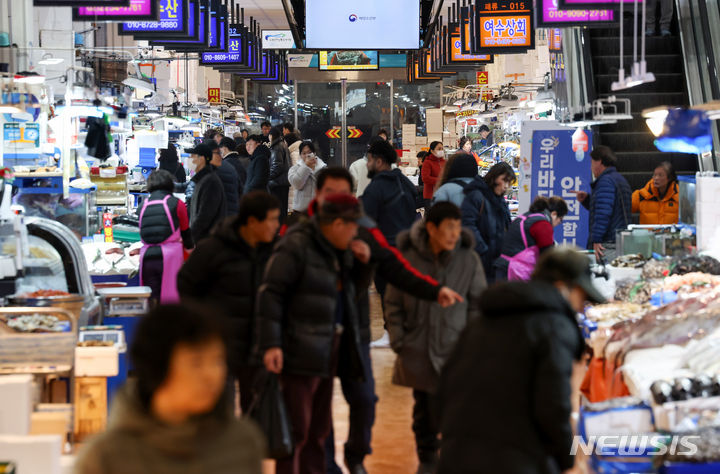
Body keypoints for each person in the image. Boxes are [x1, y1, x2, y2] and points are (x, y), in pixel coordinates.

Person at [282, 167, 463, 474]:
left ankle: (355, 455)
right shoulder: (299, 232)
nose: (336, 201)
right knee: (316, 410)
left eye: (342, 194)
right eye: (330, 194)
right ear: (319, 195)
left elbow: (394, 266)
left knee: (364, 400)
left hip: (353, 331)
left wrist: (434, 290)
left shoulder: (362, 227)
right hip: (312, 338)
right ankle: (326, 465)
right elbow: (276, 289)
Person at [437, 248, 604, 474]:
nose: (581, 307)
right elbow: (553, 404)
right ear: (561, 287)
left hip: (456, 455)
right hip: (513, 461)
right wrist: (567, 458)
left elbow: (444, 384)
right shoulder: (554, 326)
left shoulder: (483, 320)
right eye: (581, 297)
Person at [74, 304, 266, 474]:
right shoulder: (107, 456)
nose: (212, 375)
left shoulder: (242, 444)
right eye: (196, 363)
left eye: (217, 361)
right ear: (157, 368)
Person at [256, 194, 368, 474]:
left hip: (327, 348)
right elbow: (271, 294)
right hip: (298, 350)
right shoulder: (296, 245)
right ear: (338, 223)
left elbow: (350, 293)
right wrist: (271, 344)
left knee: (318, 431)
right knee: (295, 432)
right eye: (353, 226)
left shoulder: (337, 247)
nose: (356, 232)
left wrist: (364, 265)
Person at [384, 202, 487, 474]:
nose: (454, 233)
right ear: (431, 228)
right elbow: (392, 303)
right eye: (448, 227)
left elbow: (478, 304)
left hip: (456, 349)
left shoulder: (468, 259)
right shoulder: (408, 257)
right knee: (424, 412)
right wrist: (399, 339)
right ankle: (427, 460)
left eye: (457, 226)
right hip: (419, 346)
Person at [177, 191, 280, 413]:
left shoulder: (275, 250)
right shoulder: (214, 248)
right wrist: (204, 323)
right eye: (272, 219)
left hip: (258, 347)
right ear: (252, 222)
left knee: (256, 415)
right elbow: (186, 283)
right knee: (219, 415)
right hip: (220, 348)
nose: (276, 225)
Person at [138, 170, 193, 304]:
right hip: (169, 257)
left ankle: (152, 323)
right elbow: (186, 231)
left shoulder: (141, 206)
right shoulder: (176, 203)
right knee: (170, 300)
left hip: (146, 257)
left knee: (151, 300)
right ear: (170, 184)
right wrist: (190, 249)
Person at [571, 145, 631, 262]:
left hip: (607, 244)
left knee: (604, 276)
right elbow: (610, 207)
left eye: (592, 162)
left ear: (599, 162)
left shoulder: (605, 181)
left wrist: (596, 239)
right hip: (620, 240)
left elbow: (603, 213)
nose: (591, 167)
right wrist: (588, 199)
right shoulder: (619, 179)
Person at [461, 161, 514, 282]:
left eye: (509, 182)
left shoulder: (500, 200)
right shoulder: (476, 196)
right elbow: (467, 225)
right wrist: (483, 250)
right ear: (494, 177)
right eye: (504, 180)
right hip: (480, 259)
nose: (506, 186)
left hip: (496, 260)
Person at [494, 196, 568, 282]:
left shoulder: (526, 217)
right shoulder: (543, 224)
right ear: (554, 214)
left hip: (503, 268)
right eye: (560, 220)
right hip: (516, 273)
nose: (558, 223)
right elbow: (547, 256)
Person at [185, 143, 227, 243]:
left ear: (202, 159)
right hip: (203, 239)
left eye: (192, 156)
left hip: (208, 241)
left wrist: (189, 236)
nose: (189, 159)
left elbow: (205, 215)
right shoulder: (201, 179)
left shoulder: (210, 182)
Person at [288, 141, 326, 214]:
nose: (306, 155)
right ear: (300, 155)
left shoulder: (323, 168)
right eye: (304, 153)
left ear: (314, 153)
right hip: (301, 210)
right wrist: (306, 167)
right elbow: (297, 185)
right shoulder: (294, 169)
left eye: (309, 152)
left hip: (318, 210)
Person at [207, 140, 240, 217]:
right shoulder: (231, 165)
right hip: (233, 211)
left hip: (220, 214)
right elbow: (240, 189)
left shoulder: (215, 167)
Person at [268, 126, 292, 224]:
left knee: (278, 210)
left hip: (277, 183)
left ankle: (279, 231)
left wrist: (267, 177)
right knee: (282, 209)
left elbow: (277, 166)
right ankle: (282, 229)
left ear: (271, 136)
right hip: (283, 182)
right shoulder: (283, 144)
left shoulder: (276, 147)